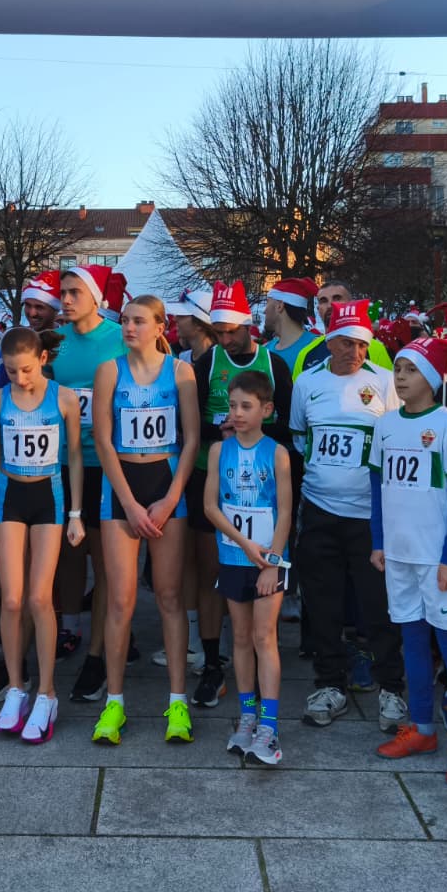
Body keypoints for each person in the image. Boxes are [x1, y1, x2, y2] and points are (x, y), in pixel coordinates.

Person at [369, 335, 447, 786]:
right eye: (397, 367)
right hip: (398, 555)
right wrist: (378, 541)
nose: (400, 376)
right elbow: (377, 489)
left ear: (432, 379)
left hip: (438, 560)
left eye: (411, 370)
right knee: (411, 640)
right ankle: (423, 728)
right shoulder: (385, 425)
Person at [91, 295, 202, 744]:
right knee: (120, 600)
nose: (129, 327)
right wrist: (131, 503)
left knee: (170, 597)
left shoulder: (181, 372)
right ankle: (114, 703)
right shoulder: (109, 371)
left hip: (166, 482)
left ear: (161, 326)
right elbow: (102, 439)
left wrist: (169, 499)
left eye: (139, 321)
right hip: (122, 488)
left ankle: (178, 701)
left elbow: (192, 440)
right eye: (125, 321)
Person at [290, 300, 405, 731]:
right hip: (319, 510)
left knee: (378, 603)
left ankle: (391, 688)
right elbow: (302, 437)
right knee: (323, 602)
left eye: (361, 344)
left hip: (370, 516)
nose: (353, 352)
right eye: (344, 342)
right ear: (329, 340)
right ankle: (328, 683)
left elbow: (396, 437)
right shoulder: (307, 383)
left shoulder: (384, 382)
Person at [190, 280, 294, 708]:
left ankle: (258, 662)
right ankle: (214, 663)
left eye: (231, 330)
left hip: (263, 485)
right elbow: (190, 423)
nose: (225, 338)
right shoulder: (205, 362)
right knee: (212, 573)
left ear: (249, 324)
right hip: (212, 473)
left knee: (258, 584)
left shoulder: (274, 366)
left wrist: (253, 429)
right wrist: (222, 432)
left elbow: (287, 429)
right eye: (218, 331)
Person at [0, 327, 86, 743]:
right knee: (10, 599)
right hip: (9, 497)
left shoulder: (63, 398)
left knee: (40, 598)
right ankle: (15, 688)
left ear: (41, 359)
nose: (19, 379)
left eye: (25, 369)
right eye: (10, 371)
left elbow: (75, 455)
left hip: (50, 498)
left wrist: (76, 513)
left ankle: (47, 692)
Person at [204, 370, 293, 766]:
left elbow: (287, 510)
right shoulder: (218, 451)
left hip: (268, 564)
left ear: (266, 410)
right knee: (239, 638)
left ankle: (270, 727)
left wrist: (272, 562)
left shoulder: (276, 453)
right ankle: (247, 717)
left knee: (263, 637)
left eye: (246, 406)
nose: (236, 413)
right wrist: (243, 544)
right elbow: (211, 507)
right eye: (232, 405)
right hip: (235, 557)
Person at [53, 265, 129, 703]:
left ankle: (98, 656)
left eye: (74, 292)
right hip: (60, 460)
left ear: (96, 297)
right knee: (67, 554)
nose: (65, 299)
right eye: (62, 292)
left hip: (104, 463)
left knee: (104, 563)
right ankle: (70, 631)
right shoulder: (56, 343)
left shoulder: (118, 338)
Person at [292, 281, 393, 378]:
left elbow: (390, 391)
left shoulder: (374, 349)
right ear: (318, 309)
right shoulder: (306, 354)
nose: (330, 305)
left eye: (337, 298)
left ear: (351, 304)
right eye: (323, 301)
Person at [263, 277, 320, 371]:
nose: (264, 311)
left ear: (279, 306)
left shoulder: (316, 348)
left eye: (267, 302)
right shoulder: (265, 350)